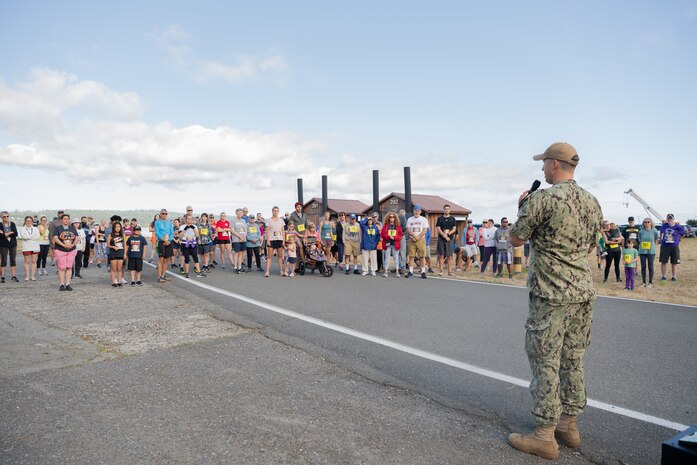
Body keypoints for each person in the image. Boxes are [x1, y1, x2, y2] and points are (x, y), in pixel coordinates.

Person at [508, 142, 603, 459]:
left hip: (551, 294)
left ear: (554, 164)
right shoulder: (592, 202)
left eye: (544, 164)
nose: (542, 169)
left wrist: (524, 205)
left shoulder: (541, 199)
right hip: (582, 291)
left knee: (545, 359)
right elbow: (591, 245)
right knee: (572, 357)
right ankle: (569, 425)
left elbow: (516, 238)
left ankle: (544, 436)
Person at [52, 213, 79, 291]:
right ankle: (62, 284)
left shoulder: (72, 228)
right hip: (60, 250)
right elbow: (55, 238)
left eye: (67, 219)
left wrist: (73, 244)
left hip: (71, 250)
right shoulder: (58, 228)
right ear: (61, 220)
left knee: (69, 267)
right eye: (64, 219)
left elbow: (77, 237)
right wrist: (64, 245)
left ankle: (68, 284)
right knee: (62, 268)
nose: (66, 220)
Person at [659, 213, 685, 282]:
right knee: (663, 261)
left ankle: (674, 276)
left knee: (674, 262)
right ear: (667, 219)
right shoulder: (664, 226)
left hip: (674, 246)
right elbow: (661, 232)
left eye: (671, 218)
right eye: (668, 218)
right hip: (665, 246)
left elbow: (683, 233)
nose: (670, 219)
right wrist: (661, 240)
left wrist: (679, 238)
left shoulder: (678, 227)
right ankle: (663, 276)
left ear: (673, 219)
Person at [405, 205, 429, 279]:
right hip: (412, 239)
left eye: (418, 210)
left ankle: (423, 271)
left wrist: (418, 237)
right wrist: (414, 236)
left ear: (420, 211)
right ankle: (410, 271)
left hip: (421, 239)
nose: (417, 212)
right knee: (411, 256)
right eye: (415, 210)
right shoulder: (410, 219)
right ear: (413, 211)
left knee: (422, 256)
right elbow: (408, 229)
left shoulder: (424, 219)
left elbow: (425, 230)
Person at [179, 214, 205, 278]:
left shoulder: (194, 226)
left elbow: (197, 235)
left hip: (193, 244)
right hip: (185, 244)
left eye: (191, 219)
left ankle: (199, 272)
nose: (190, 220)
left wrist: (192, 227)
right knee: (187, 258)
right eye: (188, 218)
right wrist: (186, 228)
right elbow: (180, 235)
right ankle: (187, 273)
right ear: (186, 219)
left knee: (195, 257)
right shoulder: (182, 226)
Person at [637, 217, 660, 287]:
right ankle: (643, 282)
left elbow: (656, 238)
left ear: (651, 223)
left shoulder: (654, 231)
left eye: (648, 222)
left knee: (650, 266)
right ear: (643, 223)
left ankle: (650, 282)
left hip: (651, 251)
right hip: (642, 251)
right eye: (645, 222)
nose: (646, 223)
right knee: (643, 266)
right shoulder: (641, 231)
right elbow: (639, 238)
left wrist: (652, 244)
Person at [436, 205, 457, 276]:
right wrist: (444, 235)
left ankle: (449, 271)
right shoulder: (440, 218)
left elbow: (454, 229)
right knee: (441, 255)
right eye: (445, 209)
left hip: (449, 239)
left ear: (450, 210)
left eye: (448, 209)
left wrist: (447, 235)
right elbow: (438, 228)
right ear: (443, 210)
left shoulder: (452, 219)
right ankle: (441, 271)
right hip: (441, 239)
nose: (446, 210)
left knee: (449, 255)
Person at [264, 206, 285, 277]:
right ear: (272, 211)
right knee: (269, 256)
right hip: (272, 240)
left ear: (278, 212)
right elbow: (267, 231)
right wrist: (268, 240)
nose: (275, 212)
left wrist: (283, 240)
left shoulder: (281, 221)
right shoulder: (269, 221)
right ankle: (267, 271)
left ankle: (281, 271)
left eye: (277, 211)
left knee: (280, 256)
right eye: (274, 211)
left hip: (279, 239)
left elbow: (283, 231)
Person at [381, 211, 403, 277]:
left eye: (393, 217)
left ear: (395, 218)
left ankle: (397, 272)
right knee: (387, 258)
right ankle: (385, 271)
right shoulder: (385, 226)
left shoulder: (398, 227)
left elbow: (400, 235)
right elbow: (383, 234)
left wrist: (394, 237)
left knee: (396, 258)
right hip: (387, 243)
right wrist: (388, 236)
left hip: (395, 244)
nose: (392, 218)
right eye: (390, 217)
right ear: (388, 218)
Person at [155, 209, 174, 283]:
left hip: (169, 242)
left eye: (166, 213)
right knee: (161, 259)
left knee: (167, 260)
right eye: (163, 213)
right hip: (162, 242)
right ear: (160, 214)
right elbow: (157, 233)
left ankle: (163, 275)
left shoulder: (169, 222)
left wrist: (169, 240)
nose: (164, 215)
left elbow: (172, 233)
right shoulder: (157, 222)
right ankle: (159, 276)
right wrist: (164, 240)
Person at [19, 216, 40, 281]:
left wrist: (29, 237)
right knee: (27, 262)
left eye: (30, 221)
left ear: (32, 221)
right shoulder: (22, 229)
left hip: (35, 247)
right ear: (25, 221)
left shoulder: (36, 228)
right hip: (26, 247)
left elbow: (37, 236)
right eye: (27, 221)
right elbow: (24, 236)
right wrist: (31, 237)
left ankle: (32, 276)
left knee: (34, 261)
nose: (29, 222)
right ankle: (27, 276)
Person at [0, 211, 19, 283]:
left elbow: (15, 234)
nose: (6, 218)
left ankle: (13, 276)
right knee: (4, 260)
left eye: (7, 216)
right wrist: (10, 232)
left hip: (12, 244)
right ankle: (2, 277)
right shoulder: (0, 225)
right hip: (3, 245)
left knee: (13, 259)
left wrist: (5, 234)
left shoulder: (12, 224)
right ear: (1, 218)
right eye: (4, 216)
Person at [107, 221, 125, 287]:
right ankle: (113, 282)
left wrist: (125, 253)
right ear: (114, 227)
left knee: (119, 268)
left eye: (119, 226)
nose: (117, 228)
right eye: (116, 226)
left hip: (120, 252)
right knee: (113, 268)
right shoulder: (110, 235)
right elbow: (108, 245)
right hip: (113, 253)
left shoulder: (122, 234)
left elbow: (125, 245)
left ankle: (119, 282)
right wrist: (113, 247)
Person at [231, 208, 248, 274]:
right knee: (236, 253)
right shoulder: (233, 220)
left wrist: (244, 237)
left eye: (241, 212)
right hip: (236, 239)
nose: (240, 214)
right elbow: (232, 230)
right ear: (236, 213)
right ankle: (235, 267)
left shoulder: (243, 221)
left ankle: (239, 267)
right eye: (238, 212)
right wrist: (240, 237)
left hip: (243, 239)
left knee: (241, 253)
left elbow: (245, 230)